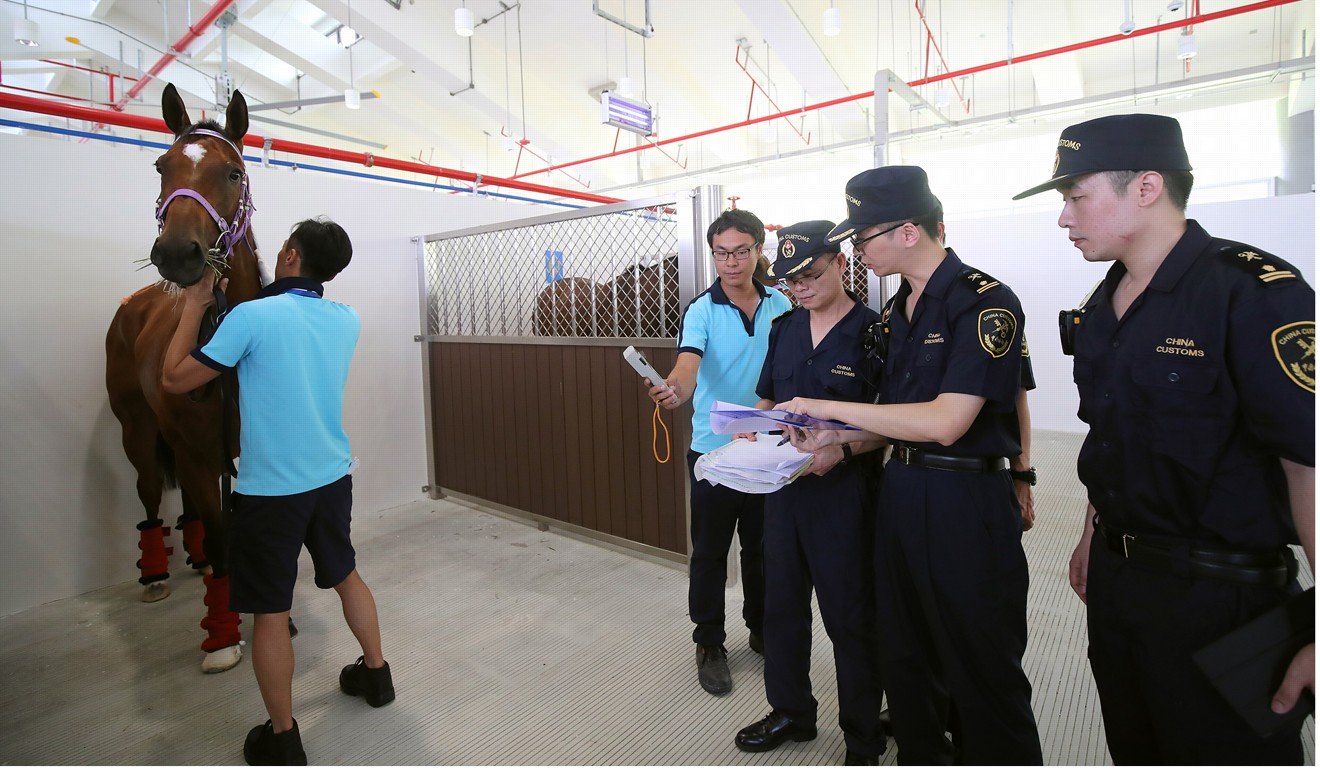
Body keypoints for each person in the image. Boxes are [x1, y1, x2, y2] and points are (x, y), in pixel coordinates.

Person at [1013, 113, 1314, 764]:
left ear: (1146, 187)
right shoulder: (1102, 306)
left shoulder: (1253, 292)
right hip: (1122, 587)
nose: (1064, 219)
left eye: (1075, 197)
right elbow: (1112, 438)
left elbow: (1307, 462)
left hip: (1225, 598)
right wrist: (1095, 535)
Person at [776, 166, 1043, 764]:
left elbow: (949, 421)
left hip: (963, 499)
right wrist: (838, 442)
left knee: (980, 661)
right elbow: (891, 417)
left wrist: (1022, 473)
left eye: (861, 237)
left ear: (906, 231)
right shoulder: (899, 313)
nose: (857, 250)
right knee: (905, 652)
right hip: (900, 491)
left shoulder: (984, 302)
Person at [162, 217, 394, 765]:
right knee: (345, 575)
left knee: (269, 613)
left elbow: (174, 379)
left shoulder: (250, 317)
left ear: (288, 255)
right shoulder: (346, 318)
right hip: (332, 478)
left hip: (271, 494)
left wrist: (196, 303)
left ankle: (283, 738)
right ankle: (376, 677)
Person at [728, 221, 887, 764]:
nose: (800, 289)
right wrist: (754, 423)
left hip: (844, 494)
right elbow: (772, 400)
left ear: (842, 264)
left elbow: (888, 425)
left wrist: (840, 447)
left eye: (811, 276)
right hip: (784, 490)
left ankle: (863, 734)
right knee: (782, 607)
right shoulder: (785, 328)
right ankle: (791, 711)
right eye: (791, 282)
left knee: (850, 617)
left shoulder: (874, 332)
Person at [645, 208, 794, 695]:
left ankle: (759, 627)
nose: (731, 263)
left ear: (758, 252)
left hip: (766, 446)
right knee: (709, 552)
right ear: (713, 256)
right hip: (714, 452)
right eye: (721, 253)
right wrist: (674, 389)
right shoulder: (702, 309)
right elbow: (688, 364)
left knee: (763, 548)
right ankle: (709, 640)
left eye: (740, 251)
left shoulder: (781, 304)